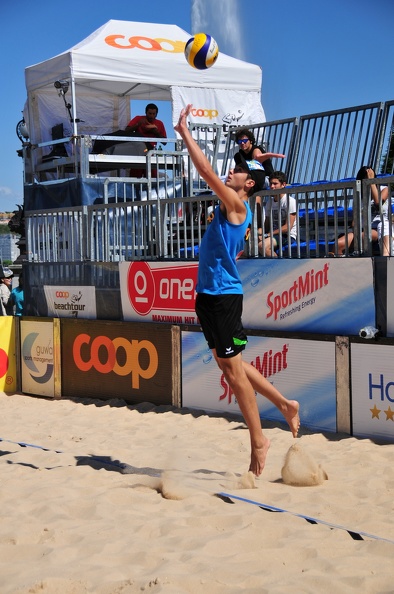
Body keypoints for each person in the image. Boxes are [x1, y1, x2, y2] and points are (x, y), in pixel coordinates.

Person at [175, 104, 300, 477]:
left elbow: (204, 170)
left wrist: (185, 133)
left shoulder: (236, 205)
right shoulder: (231, 204)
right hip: (208, 295)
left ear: (248, 185)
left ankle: (258, 440)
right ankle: (284, 404)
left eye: (238, 171)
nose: (231, 171)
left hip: (224, 296)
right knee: (234, 367)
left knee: (233, 374)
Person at [336, 166, 392, 256]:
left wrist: (371, 182)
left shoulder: (384, 189)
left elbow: (378, 202)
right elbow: (356, 219)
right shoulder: (359, 195)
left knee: (364, 236)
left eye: (369, 177)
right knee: (338, 244)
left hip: (379, 227)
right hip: (362, 228)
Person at [259, 171, 298, 257]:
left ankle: (279, 268)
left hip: (287, 236)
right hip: (273, 235)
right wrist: (259, 234)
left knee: (263, 246)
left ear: (283, 184)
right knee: (249, 247)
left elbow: (287, 227)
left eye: (275, 184)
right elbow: (267, 224)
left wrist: (267, 234)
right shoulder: (270, 202)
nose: (272, 187)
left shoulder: (290, 201)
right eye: (271, 184)